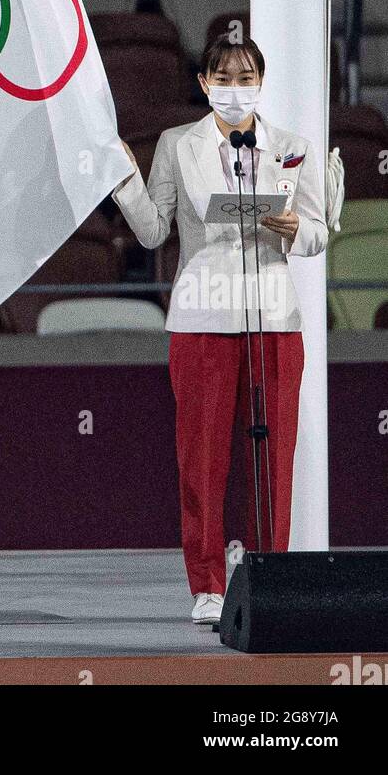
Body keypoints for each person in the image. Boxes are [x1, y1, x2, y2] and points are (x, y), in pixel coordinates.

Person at [113, 32, 328, 625]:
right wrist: (125, 182)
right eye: (224, 78)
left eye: (246, 77)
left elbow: (316, 233)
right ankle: (207, 584)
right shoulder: (177, 146)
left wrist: (292, 229)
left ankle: (270, 577)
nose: (236, 89)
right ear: (205, 84)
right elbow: (155, 231)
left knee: (274, 456)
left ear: (262, 82)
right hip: (203, 316)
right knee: (201, 457)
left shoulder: (291, 147)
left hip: (273, 317)